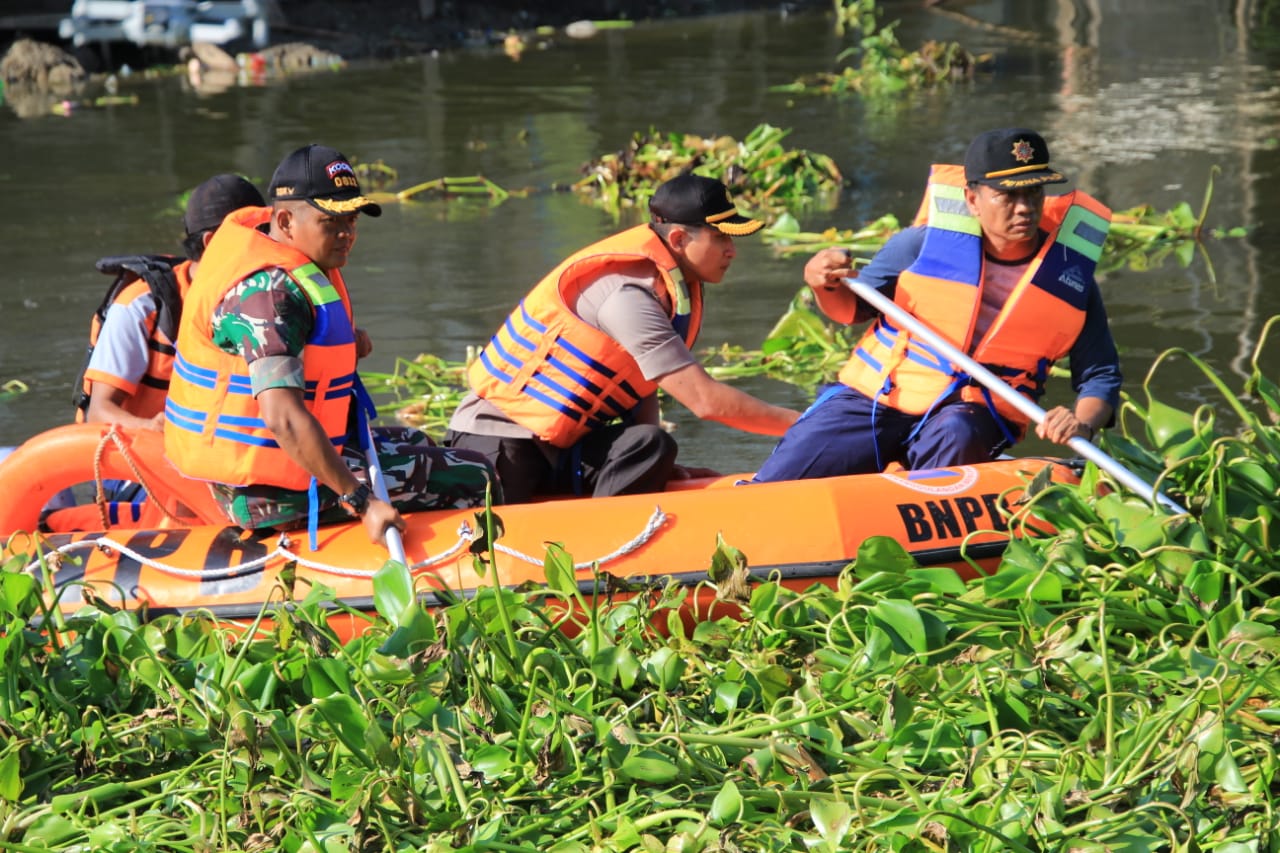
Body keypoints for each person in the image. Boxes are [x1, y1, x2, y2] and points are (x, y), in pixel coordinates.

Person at [164, 143, 496, 543]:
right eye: (331, 222)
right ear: (285, 221)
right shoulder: (267, 294)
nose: (347, 234)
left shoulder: (284, 261)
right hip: (265, 490)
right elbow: (281, 417)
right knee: (476, 476)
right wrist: (362, 501)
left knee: (417, 439)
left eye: (352, 220)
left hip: (283, 461)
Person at [753, 127, 1121, 482]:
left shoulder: (1071, 280)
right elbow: (851, 311)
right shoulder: (917, 246)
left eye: (1033, 193)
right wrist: (824, 285)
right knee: (795, 464)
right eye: (1008, 196)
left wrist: (1081, 422)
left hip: (976, 412)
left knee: (955, 431)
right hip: (881, 394)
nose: (1024, 208)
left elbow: (1100, 376)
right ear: (973, 200)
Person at [445, 173, 801, 504]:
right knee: (653, 444)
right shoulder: (627, 295)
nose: (732, 251)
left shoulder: (668, 285)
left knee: (652, 444)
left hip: (561, 445)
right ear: (678, 238)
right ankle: (594, 552)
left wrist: (655, 468)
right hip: (503, 444)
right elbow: (705, 401)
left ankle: (608, 541)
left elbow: (639, 386)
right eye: (721, 237)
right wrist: (808, 425)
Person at [74, 173, 265, 431]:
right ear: (213, 243)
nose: (267, 244)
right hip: (138, 455)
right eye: (257, 235)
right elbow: (98, 412)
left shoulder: (262, 301)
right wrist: (152, 427)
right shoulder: (139, 308)